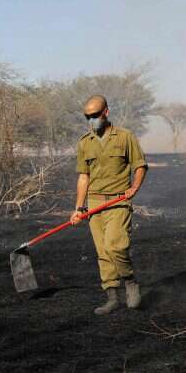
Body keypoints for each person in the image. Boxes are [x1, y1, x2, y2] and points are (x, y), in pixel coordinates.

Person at [69, 94, 148, 315]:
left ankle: (130, 282)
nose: (91, 120)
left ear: (106, 112)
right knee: (103, 252)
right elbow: (83, 177)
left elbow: (140, 165)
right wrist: (78, 208)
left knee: (116, 246)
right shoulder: (85, 143)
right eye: (87, 117)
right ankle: (112, 297)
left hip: (118, 201)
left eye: (95, 115)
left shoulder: (125, 137)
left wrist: (134, 187)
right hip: (94, 203)